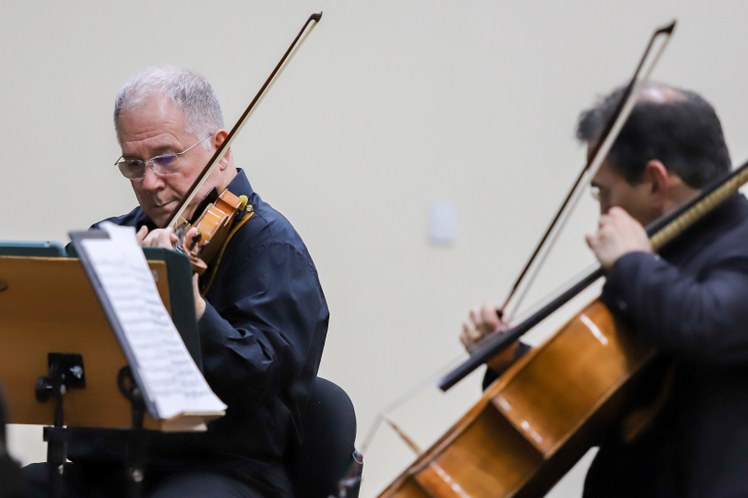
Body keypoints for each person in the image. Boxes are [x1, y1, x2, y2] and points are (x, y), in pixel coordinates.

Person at [26, 67, 329, 498]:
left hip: (225, 471)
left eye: (166, 157)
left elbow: (256, 382)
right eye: (134, 164)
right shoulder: (120, 237)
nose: (149, 183)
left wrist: (190, 304)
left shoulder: (269, 246)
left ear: (220, 150)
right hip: (112, 466)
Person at [461, 82, 748, 497]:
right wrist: (510, 357)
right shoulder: (651, 259)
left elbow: (707, 326)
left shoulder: (731, 248)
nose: (601, 213)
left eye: (603, 191)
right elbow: (597, 398)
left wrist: (633, 265)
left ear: (655, 182)